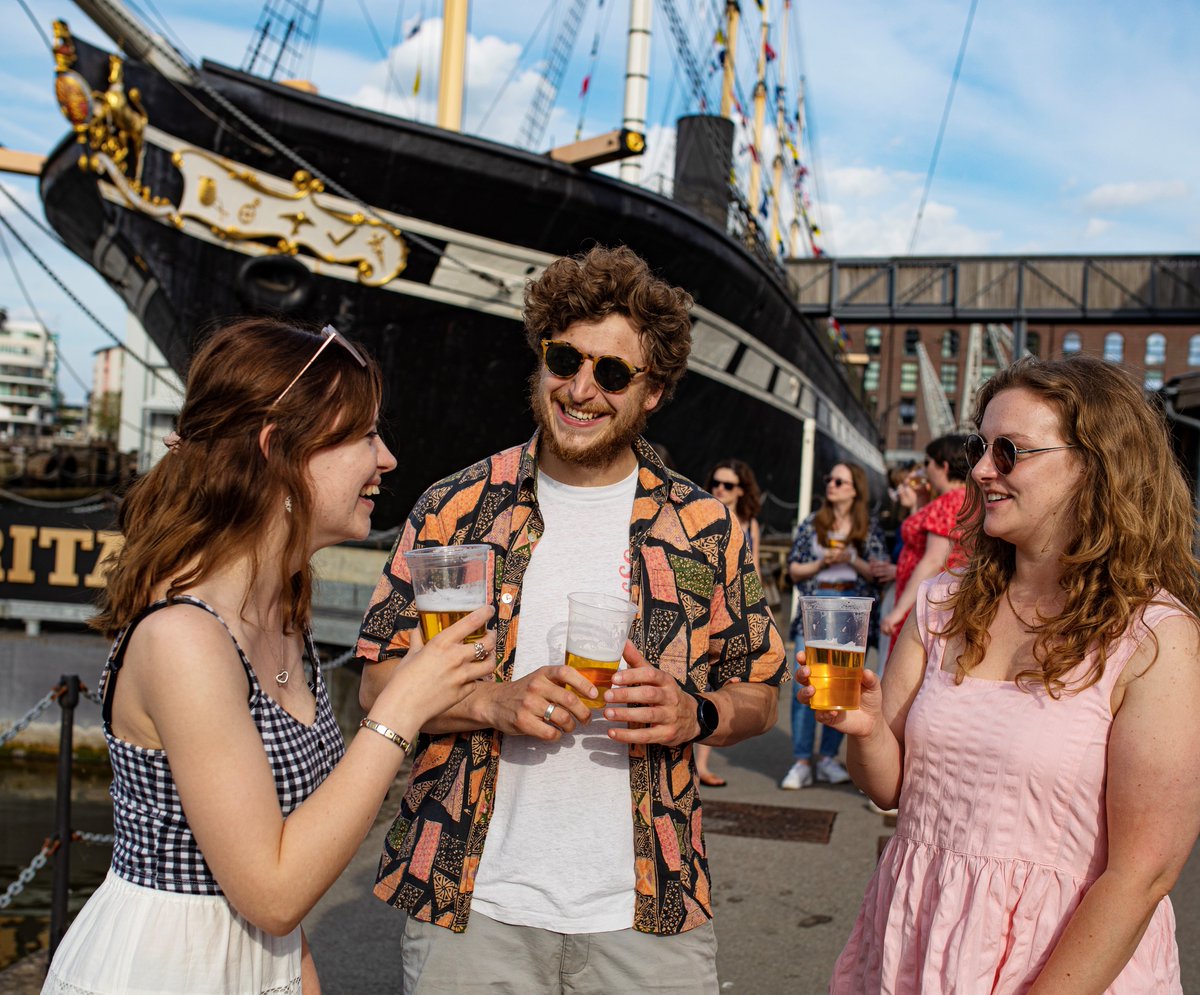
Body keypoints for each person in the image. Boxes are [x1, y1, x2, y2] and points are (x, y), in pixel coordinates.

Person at [356, 245, 786, 994]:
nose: (582, 388)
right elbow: (375, 685)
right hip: (474, 906)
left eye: (613, 372)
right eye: (565, 359)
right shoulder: (456, 507)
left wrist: (695, 712)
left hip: (649, 915)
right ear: (542, 359)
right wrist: (493, 700)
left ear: (652, 392)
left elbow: (760, 691)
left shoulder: (704, 526)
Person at [42, 320, 497, 995]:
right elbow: (273, 890)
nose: (388, 458)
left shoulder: (281, 613)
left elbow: (283, 901)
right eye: (365, 435)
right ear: (276, 449)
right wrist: (406, 703)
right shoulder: (184, 639)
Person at [811, 355, 1200, 993]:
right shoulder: (941, 601)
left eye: (1010, 451)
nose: (983, 469)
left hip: (1065, 964)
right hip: (920, 939)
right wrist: (864, 726)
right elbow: (889, 789)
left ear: (1097, 466)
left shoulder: (1155, 637)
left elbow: (1144, 873)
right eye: (979, 447)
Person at [779, 462, 888, 790]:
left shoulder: (867, 526)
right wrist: (823, 562)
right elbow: (794, 569)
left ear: (854, 488)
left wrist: (851, 560)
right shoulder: (814, 523)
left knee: (841, 687)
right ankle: (801, 760)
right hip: (815, 608)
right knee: (807, 685)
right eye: (829, 479)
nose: (831, 485)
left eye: (839, 480)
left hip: (851, 611)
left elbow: (878, 572)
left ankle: (826, 757)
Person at [695, 457, 765, 786]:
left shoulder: (749, 524)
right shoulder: (699, 515)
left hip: (733, 612)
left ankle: (702, 764)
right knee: (695, 680)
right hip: (704, 608)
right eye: (716, 483)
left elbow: (756, 572)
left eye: (728, 485)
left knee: (722, 684)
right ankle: (689, 765)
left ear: (741, 490)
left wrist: (758, 613)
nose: (720, 489)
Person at [879, 434, 970, 655]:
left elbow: (933, 560)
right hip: (940, 601)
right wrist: (922, 500)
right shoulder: (965, 498)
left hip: (924, 605)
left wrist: (898, 612)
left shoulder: (948, 502)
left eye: (927, 462)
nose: (925, 469)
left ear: (943, 465)